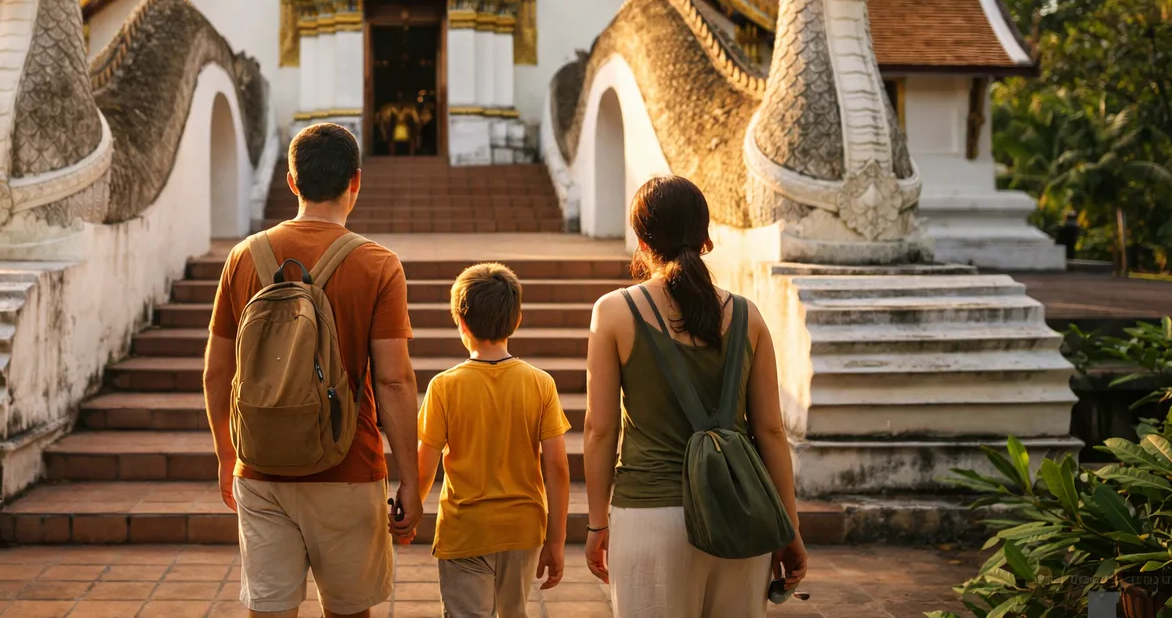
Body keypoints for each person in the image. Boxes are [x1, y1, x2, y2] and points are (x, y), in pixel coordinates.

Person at [203, 123, 422, 618]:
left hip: (260, 466)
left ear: (292, 182)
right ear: (356, 182)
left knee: (270, 610)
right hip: (347, 467)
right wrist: (410, 478)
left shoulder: (243, 257)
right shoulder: (378, 264)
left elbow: (218, 371)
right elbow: (392, 380)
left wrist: (225, 453)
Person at [582, 175, 809, 617]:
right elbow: (771, 431)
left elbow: (599, 428)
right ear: (707, 238)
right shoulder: (748, 316)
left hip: (650, 516)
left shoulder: (614, 312)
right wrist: (789, 527)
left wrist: (596, 523)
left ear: (641, 240)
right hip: (741, 516)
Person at [411, 263, 571, 618]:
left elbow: (426, 463)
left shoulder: (444, 386)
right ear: (516, 320)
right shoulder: (540, 383)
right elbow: (557, 468)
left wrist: (412, 511)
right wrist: (556, 540)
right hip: (523, 528)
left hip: (464, 530)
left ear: (461, 323)